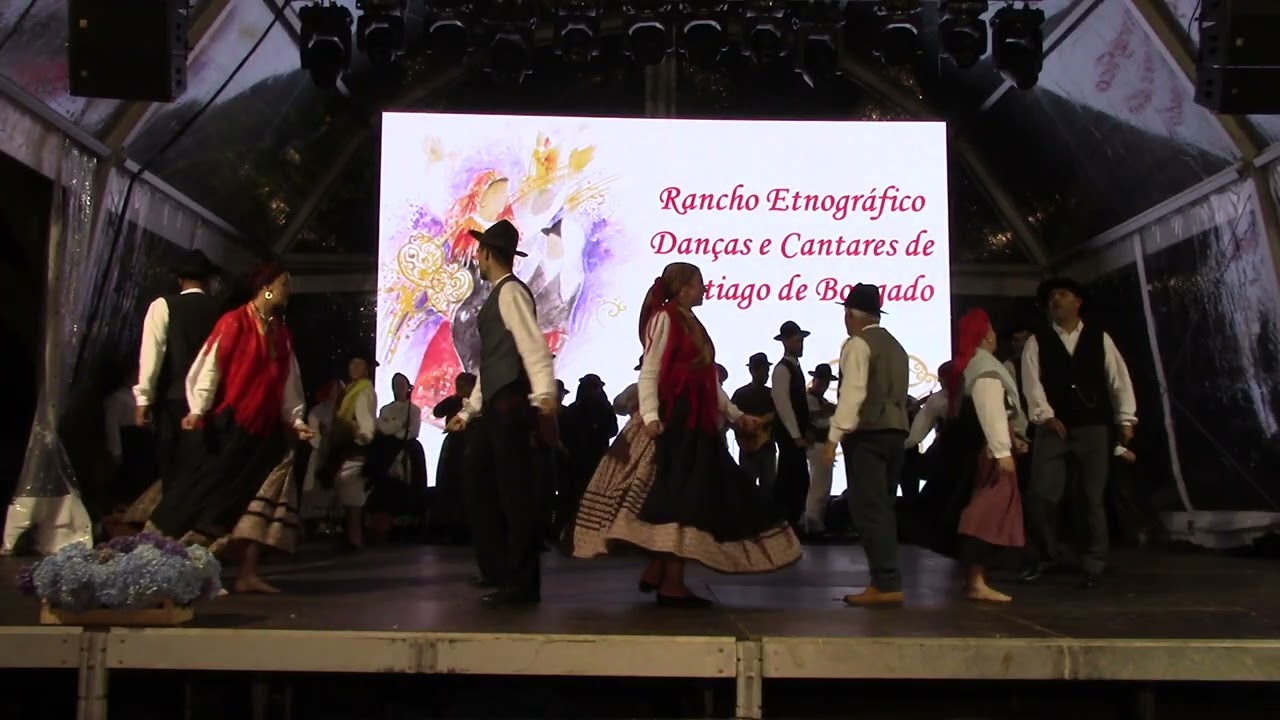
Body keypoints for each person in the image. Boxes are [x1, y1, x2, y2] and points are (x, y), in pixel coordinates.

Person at [572, 262, 802, 607]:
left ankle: (659, 571)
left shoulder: (692, 323)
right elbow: (649, 372)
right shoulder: (665, 319)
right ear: (682, 289)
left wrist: (737, 416)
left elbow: (707, 379)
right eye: (699, 284)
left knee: (687, 499)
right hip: (674, 423)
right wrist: (650, 417)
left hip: (696, 423)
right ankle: (671, 583)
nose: (705, 289)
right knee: (680, 501)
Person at [147, 263, 313, 594]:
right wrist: (198, 410)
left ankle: (245, 574)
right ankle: (162, 568)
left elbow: (288, 384)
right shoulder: (234, 322)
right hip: (231, 427)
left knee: (254, 501)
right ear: (265, 288)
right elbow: (208, 367)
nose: (286, 292)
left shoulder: (280, 333)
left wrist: (295, 420)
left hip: (263, 431)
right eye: (283, 285)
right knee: (206, 497)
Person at [446, 220, 557, 606]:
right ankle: (499, 570)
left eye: (479, 252)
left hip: (511, 403)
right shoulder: (498, 294)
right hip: (495, 402)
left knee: (513, 493)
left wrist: (544, 392)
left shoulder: (510, 293)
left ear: (487, 254)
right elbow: (491, 361)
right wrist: (470, 410)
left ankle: (522, 583)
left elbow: (532, 344)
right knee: (478, 480)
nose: (477, 257)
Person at [1020, 277, 1137, 588]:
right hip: (1053, 427)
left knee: (1091, 496)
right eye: (1052, 297)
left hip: (1093, 425)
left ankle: (1093, 561)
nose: (1056, 301)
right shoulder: (1038, 341)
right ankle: (1045, 555)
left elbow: (1118, 379)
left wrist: (1126, 419)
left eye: (1063, 295)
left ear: (1077, 302)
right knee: (1042, 494)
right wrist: (1045, 416)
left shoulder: (1099, 338)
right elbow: (1032, 385)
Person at [820, 283, 909, 606]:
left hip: (869, 434)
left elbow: (853, 393)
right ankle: (886, 578)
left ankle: (885, 582)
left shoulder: (858, 344)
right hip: (896, 433)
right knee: (883, 507)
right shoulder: (895, 346)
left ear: (849, 314)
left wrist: (833, 437)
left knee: (869, 509)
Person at [939, 309, 1029, 602]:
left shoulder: (972, 366)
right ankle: (976, 581)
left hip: (986, 449)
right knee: (985, 515)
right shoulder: (985, 369)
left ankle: (976, 579)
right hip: (990, 453)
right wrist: (1002, 450)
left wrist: (1011, 438)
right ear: (985, 335)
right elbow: (991, 410)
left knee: (983, 513)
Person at [133, 249, 221, 499]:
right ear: (207, 280)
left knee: (172, 470)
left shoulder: (163, 306)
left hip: (173, 400)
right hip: (210, 404)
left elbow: (152, 354)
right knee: (201, 471)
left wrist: (143, 399)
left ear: (179, 279)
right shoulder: (221, 312)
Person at [320, 353, 378, 549]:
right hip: (348, 445)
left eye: (358, 364)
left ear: (366, 369)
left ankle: (355, 538)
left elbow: (365, 419)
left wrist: (360, 433)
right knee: (348, 493)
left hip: (356, 445)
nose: (353, 367)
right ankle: (351, 537)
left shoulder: (364, 390)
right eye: (351, 363)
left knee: (352, 495)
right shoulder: (350, 389)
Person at [770, 322, 813, 528]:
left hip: (795, 434)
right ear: (786, 342)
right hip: (789, 435)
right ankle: (785, 521)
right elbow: (783, 404)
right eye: (797, 340)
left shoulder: (793, 367)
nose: (801, 344)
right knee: (792, 478)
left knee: (795, 478)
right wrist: (795, 434)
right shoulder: (782, 369)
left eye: (801, 340)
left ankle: (789, 521)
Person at [730, 353, 777, 495]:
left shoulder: (771, 394)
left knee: (766, 488)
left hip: (765, 447)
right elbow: (732, 420)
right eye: (764, 371)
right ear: (753, 371)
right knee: (748, 487)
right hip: (750, 448)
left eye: (767, 371)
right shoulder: (741, 394)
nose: (767, 374)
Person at [802, 363, 837, 535]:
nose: (824, 384)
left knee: (822, 485)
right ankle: (813, 522)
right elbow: (812, 418)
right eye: (822, 380)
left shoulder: (820, 401)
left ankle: (815, 521)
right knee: (819, 485)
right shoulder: (809, 400)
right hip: (817, 444)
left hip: (823, 445)